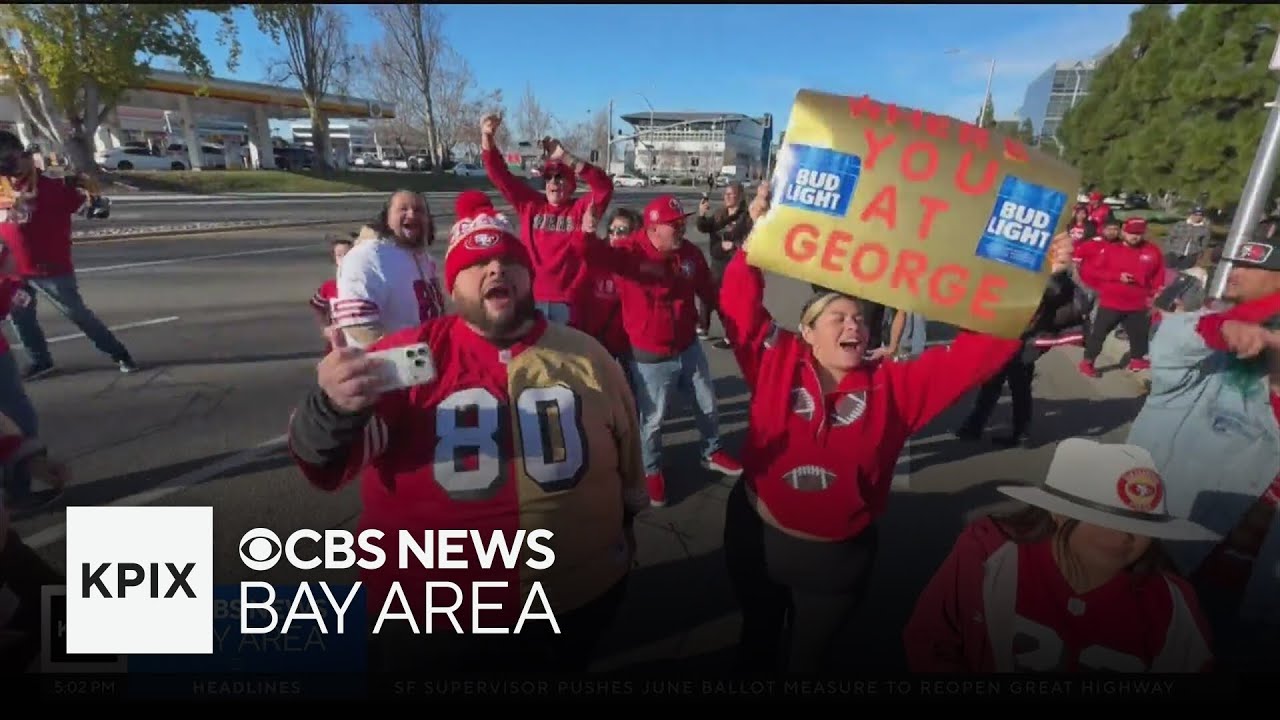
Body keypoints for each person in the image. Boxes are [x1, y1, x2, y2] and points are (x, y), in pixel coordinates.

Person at [287, 211, 647, 673]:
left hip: (574, 604)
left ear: (529, 276)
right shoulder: (405, 358)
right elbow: (325, 460)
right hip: (435, 619)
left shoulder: (588, 356)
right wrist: (332, 406)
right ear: (452, 288)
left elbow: (629, 464)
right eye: (477, 263)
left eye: (507, 260)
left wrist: (624, 533)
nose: (495, 269)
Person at [715, 230, 1073, 673]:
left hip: (835, 565)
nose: (855, 325)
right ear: (807, 331)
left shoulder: (896, 386)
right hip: (757, 541)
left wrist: (1034, 280)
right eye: (839, 317)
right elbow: (736, 308)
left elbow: (978, 354)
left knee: (809, 660)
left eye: (861, 319)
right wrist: (756, 241)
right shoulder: (776, 361)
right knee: (756, 643)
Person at [903, 438, 1216, 673]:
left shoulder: (1172, 605)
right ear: (1057, 513)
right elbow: (931, 641)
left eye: (1141, 524)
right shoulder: (988, 553)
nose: (1123, 536)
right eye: (1104, 518)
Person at [1126, 215, 1280, 670]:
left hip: (1255, 600)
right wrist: (1229, 328)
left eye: (1250, 267)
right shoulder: (1212, 361)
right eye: (1232, 263)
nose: (1233, 272)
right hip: (1168, 566)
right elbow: (1174, 343)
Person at [576, 195, 743, 508]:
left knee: (707, 403)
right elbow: (590, 254)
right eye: (674, 225)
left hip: (688, 347)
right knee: (652, 421)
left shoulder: (689, 253)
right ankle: (650, 471)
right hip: (650, 358)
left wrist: (732, 324)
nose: (682, 228)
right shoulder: (628, 253)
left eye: (682, 221)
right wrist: (586, 232)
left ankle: (712, 451)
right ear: (653, 229)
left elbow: (708, 289)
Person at [0, 131, 138, 379]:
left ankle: (119, 353)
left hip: (51, 270)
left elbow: (94, 211)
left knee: (78, 316)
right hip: (15, 272)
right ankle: (41, 361)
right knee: (21, 318)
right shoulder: (3, 190)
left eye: (7, 158)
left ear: (23, 155)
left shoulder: (53, 188)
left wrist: (96, 197)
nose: (4, 166)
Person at [479, 114, 613, 326]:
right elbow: (500, 175)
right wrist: (487, 137)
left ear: (571, 184)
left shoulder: (581, 209)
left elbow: (604, 186)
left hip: (570, 303)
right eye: (548, 178)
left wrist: (565, 157)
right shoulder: (530, 204)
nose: (553, 182)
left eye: (559, 178)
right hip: (530, 298)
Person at [955, 269, 1081, 447]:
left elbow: (1056, 292)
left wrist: (1048, 275)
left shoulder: (1049, 273)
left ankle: (1019, 433)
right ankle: (976, 426)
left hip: (1025, 340)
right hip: (1003, 336)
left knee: (1016, 387)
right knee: (993, 384)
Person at [332, 191, 445, 349]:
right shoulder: (368, 256)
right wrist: (398, 362)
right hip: (394, 367)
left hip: (431, 361)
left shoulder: (424, 259)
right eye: (403, 209)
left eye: (419, 210)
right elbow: (359, 327)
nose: (412, 214)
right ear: (387, 218)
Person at [1079, 217, 1165, 377]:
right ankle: (1087, 362)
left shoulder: (1152, 251)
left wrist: (1157, 292)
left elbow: (1159, 274)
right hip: (1112, 302)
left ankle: (1137, 360)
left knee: (1139, 334)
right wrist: (1117, 276)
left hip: (1139, 304)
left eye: (1139, 233)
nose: (1135, 236)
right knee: (1098, 334)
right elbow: (1091, 271)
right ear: (1124, 231)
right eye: (1132, 232)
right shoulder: (1111, 249)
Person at [572, 206, 637, 371]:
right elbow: (580, 247)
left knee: (633, 387)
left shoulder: (638, 261)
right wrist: (587, 230)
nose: (615, 235)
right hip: (597, 338)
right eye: (611, 230)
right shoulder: (597, 254)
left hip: (628, 341)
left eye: (622, 230)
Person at [695, 181, 752, 349]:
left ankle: (732, 335)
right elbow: (705, 228)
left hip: (734, 265)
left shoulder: (746, 217)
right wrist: (701, 215)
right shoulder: (720, 214)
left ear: (739, 196)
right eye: (725, 193)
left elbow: (746, 237)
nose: (726, 196)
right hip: (718, 264)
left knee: (728, 302)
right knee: (708, 294)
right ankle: (703, 327)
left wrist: (735, 246)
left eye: (730, 193)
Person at [310, 232, 356, 352]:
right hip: (336, 344)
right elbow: (318, 307)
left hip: (360, 341)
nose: (343, 259)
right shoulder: (329, 287)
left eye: (348, 255)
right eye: (339, 255)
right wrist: (325, 327)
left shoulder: (364, 286)